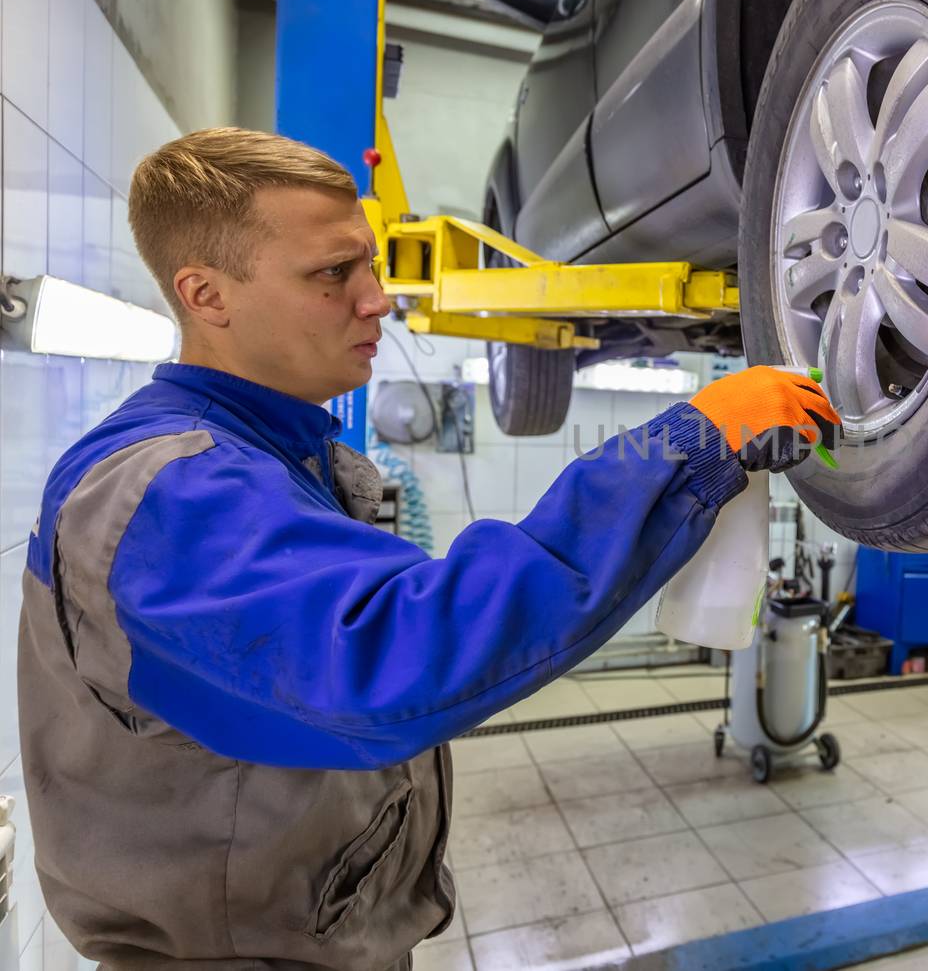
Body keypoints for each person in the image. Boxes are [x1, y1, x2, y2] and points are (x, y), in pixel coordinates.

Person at [16, 127, 840, 969]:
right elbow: (393, 656)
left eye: (367, 265)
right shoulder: (164, 493)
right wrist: (689, 444)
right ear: (207, 295)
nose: (376, 299)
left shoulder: (266, 454)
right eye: (333, 273)